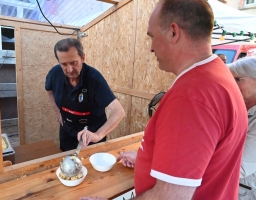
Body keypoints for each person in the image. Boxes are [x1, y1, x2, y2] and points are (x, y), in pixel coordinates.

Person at [81, 0, 247, 200]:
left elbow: (169, 197)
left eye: (152, 36)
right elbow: (201, 159)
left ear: (173, 32)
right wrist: (146, 160)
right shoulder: (220, 75)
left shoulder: (190, 96)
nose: (151, 48)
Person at [45, 38, 125, 152]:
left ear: (82, 58)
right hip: (67, 132)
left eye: (73, 63)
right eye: (64, 64)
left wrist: (98, 135)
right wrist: (56, 110)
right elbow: (48, 89)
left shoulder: (95, 79)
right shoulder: (55, 74)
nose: (70, 69)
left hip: (91, 136)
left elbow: (119, 111)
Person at [227, 56, 256, 200]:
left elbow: (241, 167)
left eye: (238, 80)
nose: (233, 85)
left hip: (244, 192)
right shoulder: (241, 108)